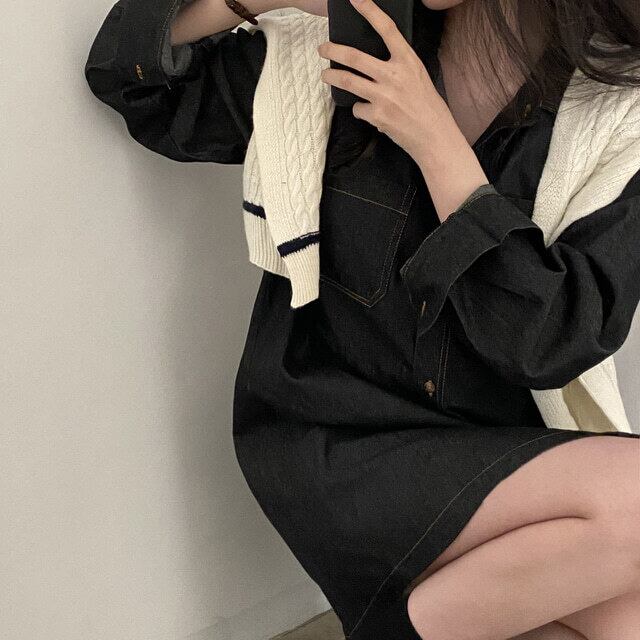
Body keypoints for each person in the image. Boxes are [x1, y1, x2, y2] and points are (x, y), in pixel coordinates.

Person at [84, 0, 640, 638]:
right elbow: (132, 80)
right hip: (337, 441)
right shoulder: (331, 46)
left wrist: (437, 145)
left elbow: (551, 341)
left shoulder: (620, 116)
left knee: (626, 619)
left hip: (502, 454)